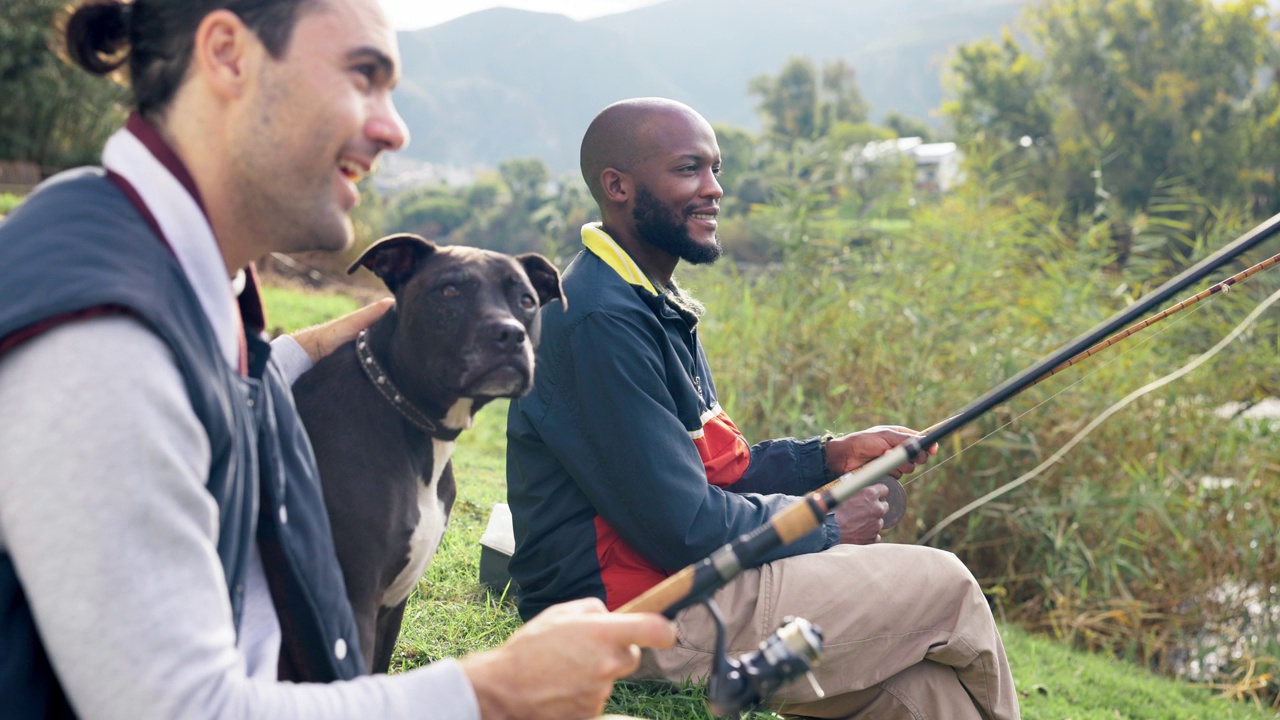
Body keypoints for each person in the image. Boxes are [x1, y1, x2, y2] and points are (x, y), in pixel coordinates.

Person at [0, 3, 674, 719]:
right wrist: (491, 691)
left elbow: (199, 402)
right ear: (228, 56)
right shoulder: (103, 341)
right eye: (363, 76)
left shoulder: (128, 239)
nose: (393, 127)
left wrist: (290, 356)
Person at [506, 97, 1022, 719]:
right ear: (617, 186)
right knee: (948, 587)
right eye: (688, 169)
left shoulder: (649, 300)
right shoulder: (598, 319)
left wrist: (828, 456)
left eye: (715, 169)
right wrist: (828, 522)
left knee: (924, 697)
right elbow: (686, 529)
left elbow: (717, 474)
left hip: (676, 585)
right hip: (628, 614)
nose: (714, 189)